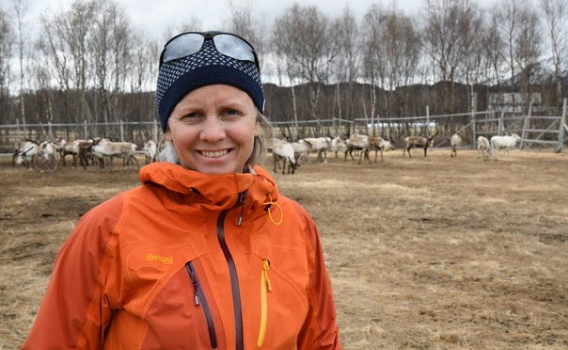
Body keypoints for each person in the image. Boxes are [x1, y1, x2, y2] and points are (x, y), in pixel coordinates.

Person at [22, 31, 342, 349]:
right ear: (167, 131)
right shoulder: (107, 230)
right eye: (192, 115)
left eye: (231, 112)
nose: (214, 133)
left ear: (256, 122)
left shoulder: (295, 224)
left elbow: (321, 340)